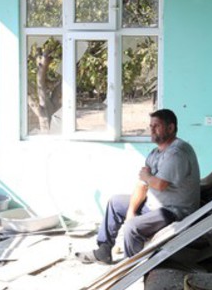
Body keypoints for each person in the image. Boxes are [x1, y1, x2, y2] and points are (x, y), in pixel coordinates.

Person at [76, 109, 200, 264]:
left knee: (133, 227)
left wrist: (147, 177)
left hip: (175, 211)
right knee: (115, 202)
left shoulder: (177, 152)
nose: (152, 129)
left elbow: (160, 184)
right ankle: (103, 251)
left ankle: (134, 269)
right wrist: (131, 211)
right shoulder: (156, 153)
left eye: (157, 126)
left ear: (170, 128)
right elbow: (142, 184)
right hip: (154, 205)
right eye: (151, 126)